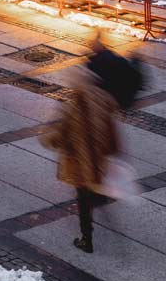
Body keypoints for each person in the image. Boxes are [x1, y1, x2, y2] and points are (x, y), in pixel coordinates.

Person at [41, 35, 121, 253]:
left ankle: (87, 240)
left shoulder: (74, 106)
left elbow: (58, 135)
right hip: (98, 158)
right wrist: (112, 150)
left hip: (79, 161)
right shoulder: (104, 99)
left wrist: (48, 139)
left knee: (83, 200)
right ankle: (98, 196)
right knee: (93, 186)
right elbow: (111, 130)